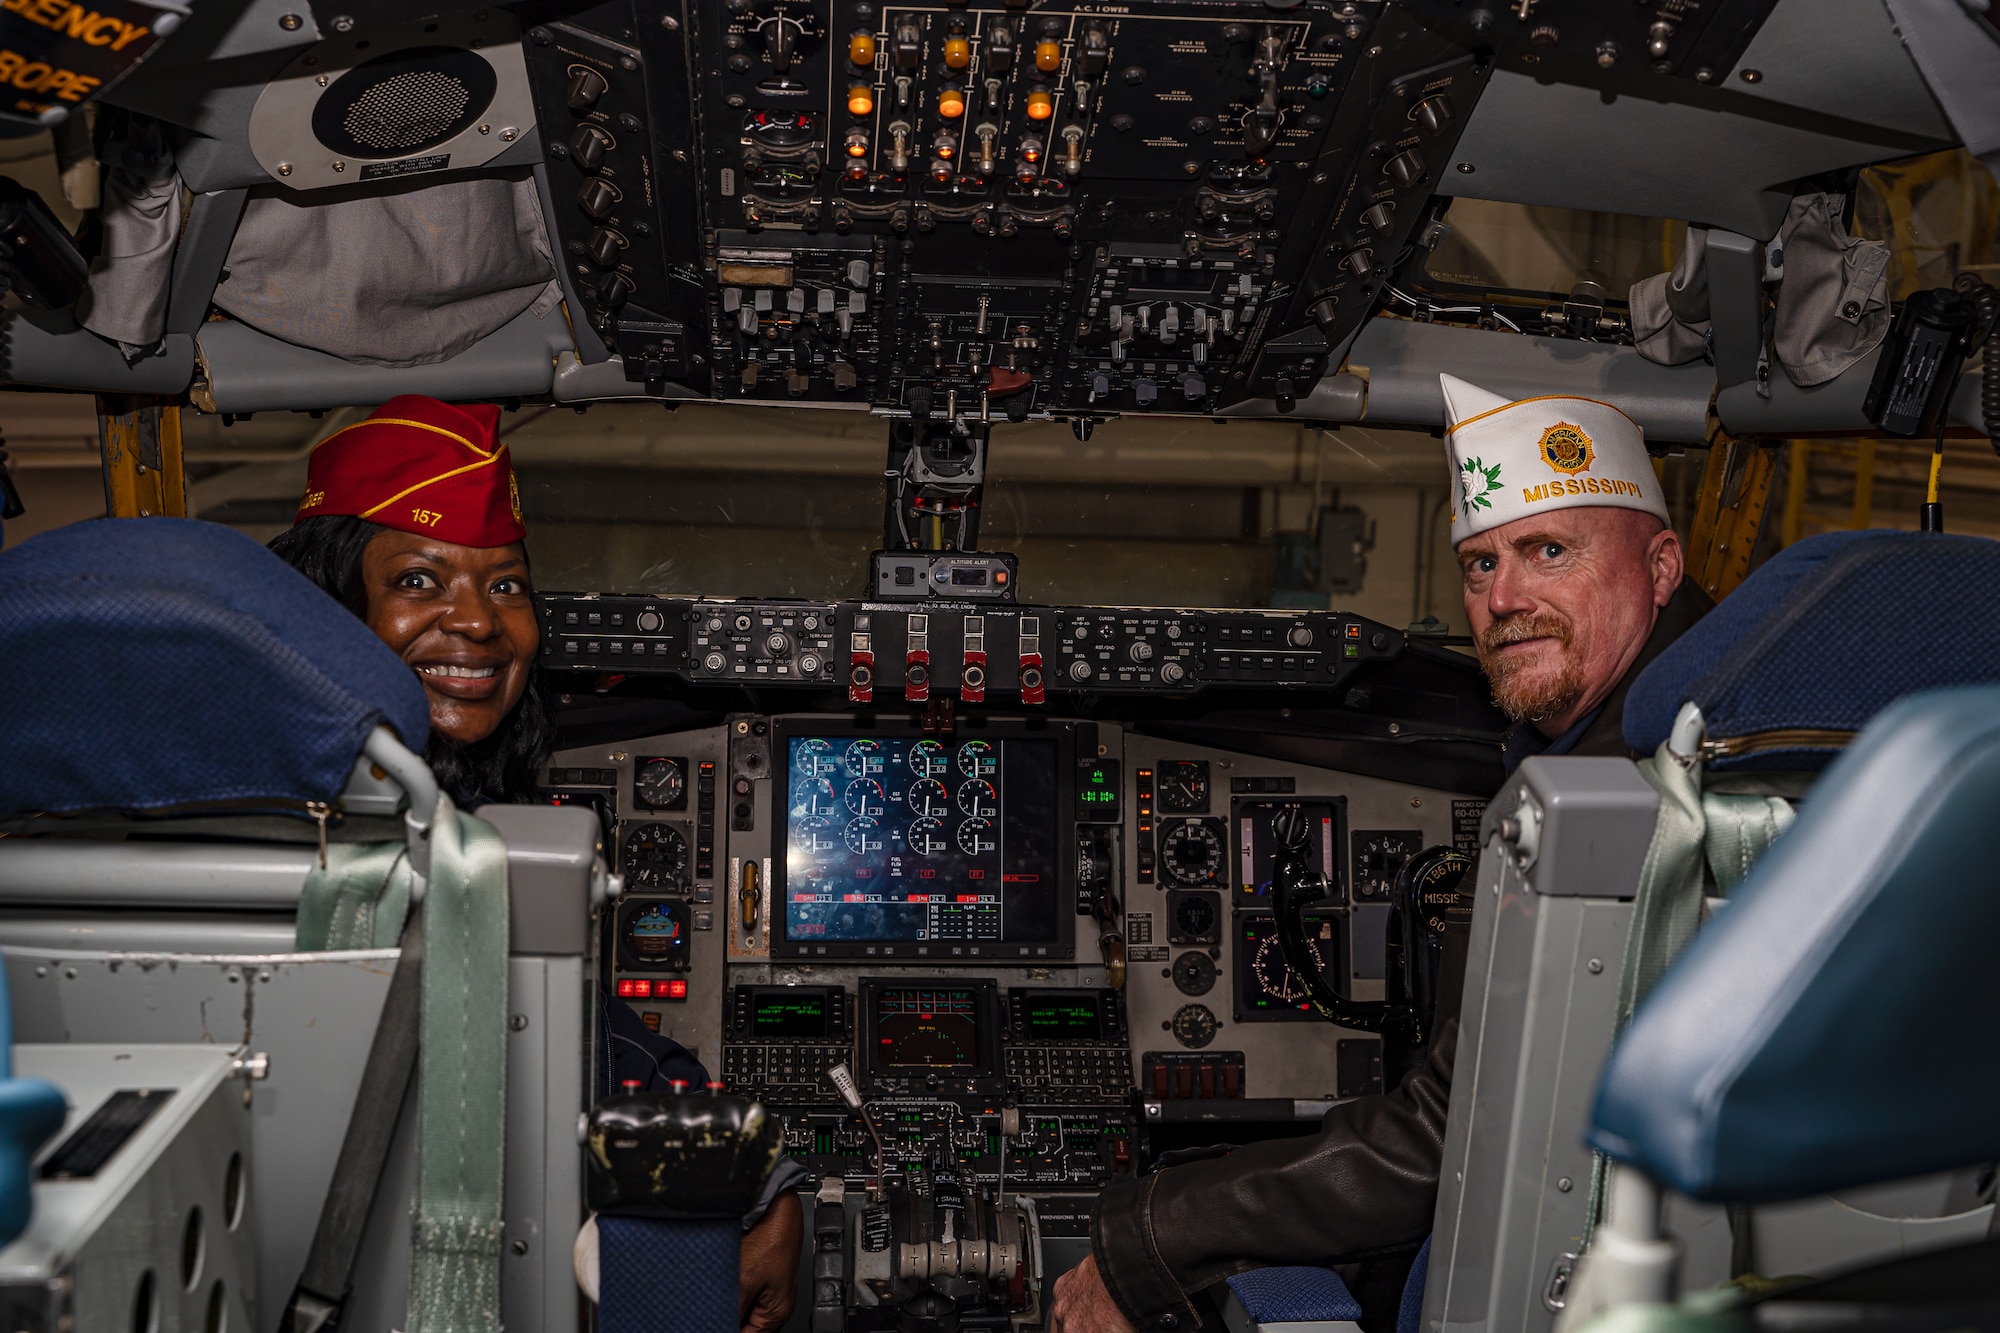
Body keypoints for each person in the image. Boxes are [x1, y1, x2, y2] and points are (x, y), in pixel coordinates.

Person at [1050, 375, 1712, 1333]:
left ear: (1660, 566)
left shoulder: (1623, 792)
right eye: (1479, 566)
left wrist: (1146, 1235)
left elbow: (1449, 1137)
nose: (1505, 598)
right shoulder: (1694, 734)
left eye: (1548, 551)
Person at [269, 395, 804, 1333]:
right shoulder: (325, 836)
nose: (477, 622)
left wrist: (755, 1164)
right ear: (332, 605)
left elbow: (570, 1031)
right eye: (421, 580)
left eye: (507, 585)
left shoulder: (437, 819)